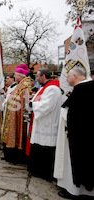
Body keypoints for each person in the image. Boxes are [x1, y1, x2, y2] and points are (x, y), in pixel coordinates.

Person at [54, 66, 94, 199]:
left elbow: (73, 113)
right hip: (86, 134)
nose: (67, 79)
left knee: (77, 163)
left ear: (75, 76)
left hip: (78, 135)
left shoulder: (81, 89)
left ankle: (75, 191)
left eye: (68, 76)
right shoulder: (89, 86)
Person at [27, 68, 62, 181]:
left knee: (45, 148)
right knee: (38, 145)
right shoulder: (44, 87)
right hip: (41, 123)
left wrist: (32, 105)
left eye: (37, 76)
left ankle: (44, 173)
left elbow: (46, 105)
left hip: (48, 124)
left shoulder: (53, 89)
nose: (36, 79)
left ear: (43, 77)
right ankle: (36, 170)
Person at [1, 64, 31, 164]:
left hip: (17, 114)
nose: (14, 76)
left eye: (15, 74)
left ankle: (16, 157)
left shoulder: (25, 85)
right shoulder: (20, 84)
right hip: (13, 113)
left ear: (20, 75)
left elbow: (24, 101)